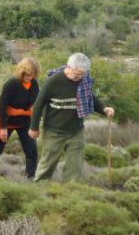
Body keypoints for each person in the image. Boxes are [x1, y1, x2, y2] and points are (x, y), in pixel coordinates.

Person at [29, 53, 115, 182]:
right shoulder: (53, 81)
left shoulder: (84, 81)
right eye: (77, 74)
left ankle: (70, 192)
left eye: (82, 74)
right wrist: (34, 128)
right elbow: (38, 105)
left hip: (76, 131)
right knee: (47, 165)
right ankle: (40, 189)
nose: (79, 77)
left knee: (75, 167)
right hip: (54, 132)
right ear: (69, 67)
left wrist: (104, 109)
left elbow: (90, 98)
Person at [0, 57, 40, 179]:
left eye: (33, 75)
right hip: (7, 121)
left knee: (32, 152)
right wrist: (3, 128)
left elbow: (36, 105)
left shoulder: (34, 83)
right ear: (22, 72)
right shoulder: (11, 84)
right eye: (28, 75)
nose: (30, 78)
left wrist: (35, 125)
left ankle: (30, 180)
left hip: (25, 122)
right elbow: (2, 107)